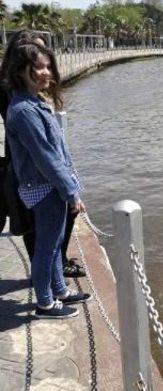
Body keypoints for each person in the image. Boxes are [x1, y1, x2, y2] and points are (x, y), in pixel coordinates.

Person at [3, 40, 92, 319]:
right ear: (20, 70)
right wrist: (70, 192)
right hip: (45, 189)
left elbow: (56, 152)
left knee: (53, 245)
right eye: (37, 67)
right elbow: (46, 158)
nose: (45, 72)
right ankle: (45, 302)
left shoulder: (33, 103)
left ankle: (60, 290)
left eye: (47, 66)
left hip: (51, 187)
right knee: (47, 247)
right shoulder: (24, 111)